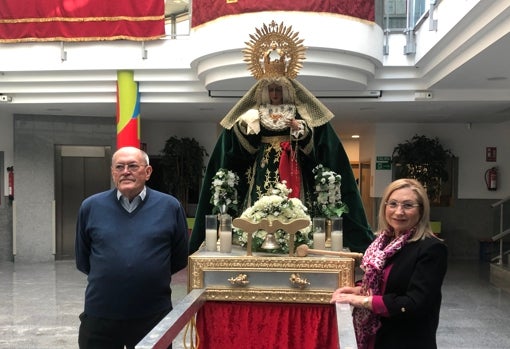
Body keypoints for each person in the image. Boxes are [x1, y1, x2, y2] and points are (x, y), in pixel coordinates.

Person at [189, 23, 373, 254]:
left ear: (286, 91)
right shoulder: (253, 113)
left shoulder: (299, 112)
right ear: (264, 92)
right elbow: (238, 150)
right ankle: (255, 235)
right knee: (259, 197)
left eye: (278, 90)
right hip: (263, 165)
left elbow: (317, 145)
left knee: (294, 198)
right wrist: (247, 128)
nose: (275, 94)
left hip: (292, 163)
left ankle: (296, 236)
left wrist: (300, 130)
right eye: (271, 90)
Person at [75, 146, 189, 349]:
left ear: (148, 172)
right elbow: (83, 259)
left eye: (133, 166)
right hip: (100, 315)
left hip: (153, 315)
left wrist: (147, 273)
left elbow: (179, 257)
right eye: (119, 166)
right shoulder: (91, 206)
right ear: (113, 172)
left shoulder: (170, 206)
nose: (125, 171)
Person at [331, 178, 448, 349]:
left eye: (408, 205)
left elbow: (415, 303)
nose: (398, 212)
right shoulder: (384, 242)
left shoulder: (432, 248)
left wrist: (362, 300)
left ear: (421, 211)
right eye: (392, 204)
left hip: (406, 340)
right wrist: (358, 289)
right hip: (377, 337)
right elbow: (386, 283)